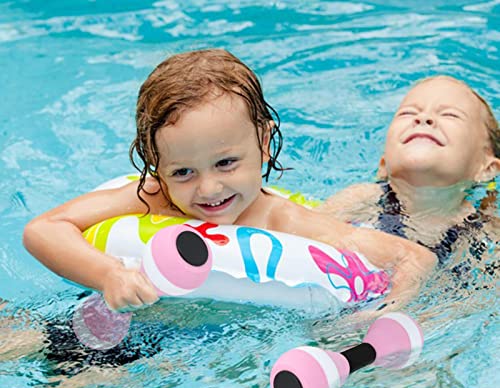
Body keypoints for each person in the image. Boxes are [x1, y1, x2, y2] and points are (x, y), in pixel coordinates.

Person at [23, 49, 436, 313]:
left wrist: (378, 316)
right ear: (156, 164)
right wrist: (107, 274)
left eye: (225, 163)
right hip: (111, 316)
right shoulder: (154, 197)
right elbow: (43, 229)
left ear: (263, 143)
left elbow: (414, 257)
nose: (208, 189)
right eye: (183, 172)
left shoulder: (281, 219)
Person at [318, 76, 499, 269]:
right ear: (384, 164)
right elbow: (306, 232)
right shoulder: (363, 198)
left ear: (487, 169)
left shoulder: (485, 230)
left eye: (450, 115)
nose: (423, 118)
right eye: (407, 113)